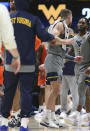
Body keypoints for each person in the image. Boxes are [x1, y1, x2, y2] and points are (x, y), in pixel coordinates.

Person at [0, 0, 74, 130]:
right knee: (26, 93)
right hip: (28, 63)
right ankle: (23, 124)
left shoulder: (8, 18)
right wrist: (66, 40)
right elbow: (46, 36)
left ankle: (4, 123)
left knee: (8, 93)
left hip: (10, 63)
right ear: (27, 5)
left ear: (15, 4)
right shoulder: (33, 19)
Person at [40, 9, 82, 128]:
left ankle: (52, 117)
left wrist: (73, 58)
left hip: (56, 59)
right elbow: (52, 39)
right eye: (72, 17)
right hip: (53, 60)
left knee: (56, 91)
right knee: (55, 91)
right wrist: (67, 40)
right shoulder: (60, 24)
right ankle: (46, 118)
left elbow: (61, 52)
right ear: (69, 17)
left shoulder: (62, 26)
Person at [66, 17, 90, 126]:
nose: (80, 24)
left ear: (87, 26)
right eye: (79, 22)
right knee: (85, 92)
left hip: (87, 67)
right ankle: (88, 118)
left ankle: (76, 113)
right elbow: (70, 52)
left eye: (83, 23)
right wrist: (62, 62)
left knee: (81, 89)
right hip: (77, 68)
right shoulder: (74, 38)